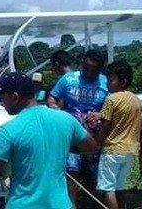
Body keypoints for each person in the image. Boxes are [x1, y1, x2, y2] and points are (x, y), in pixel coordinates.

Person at [0, 72, 97, 209]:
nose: (1, 102)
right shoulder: (66, 119)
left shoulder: (8, 130)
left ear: (14, 97)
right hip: (60, 204)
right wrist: (61, 145)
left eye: (2, 97)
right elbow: (91, 146)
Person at [47, 49, 109, 208]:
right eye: (86, 68)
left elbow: (113, 108)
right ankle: (71, 206)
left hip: (94, 138)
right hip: (70, 138)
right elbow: (52, 97)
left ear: (101, 68)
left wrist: (100, 114)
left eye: (93, 70)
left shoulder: (106, 83)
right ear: (82, 62)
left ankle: (91, 205)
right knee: (71, 173)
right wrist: (53, 107)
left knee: (92, 177)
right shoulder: (68, 79)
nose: (88, 73)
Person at [90, 60, 142, 209]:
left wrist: (95, 145)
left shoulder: (111, 99)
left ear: (123, 82)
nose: (107, 84)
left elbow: (105, 126)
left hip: (112, 149)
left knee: (107, 188)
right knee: (120, 187)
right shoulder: (137, 101)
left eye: (110, 81)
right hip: (130, 151)